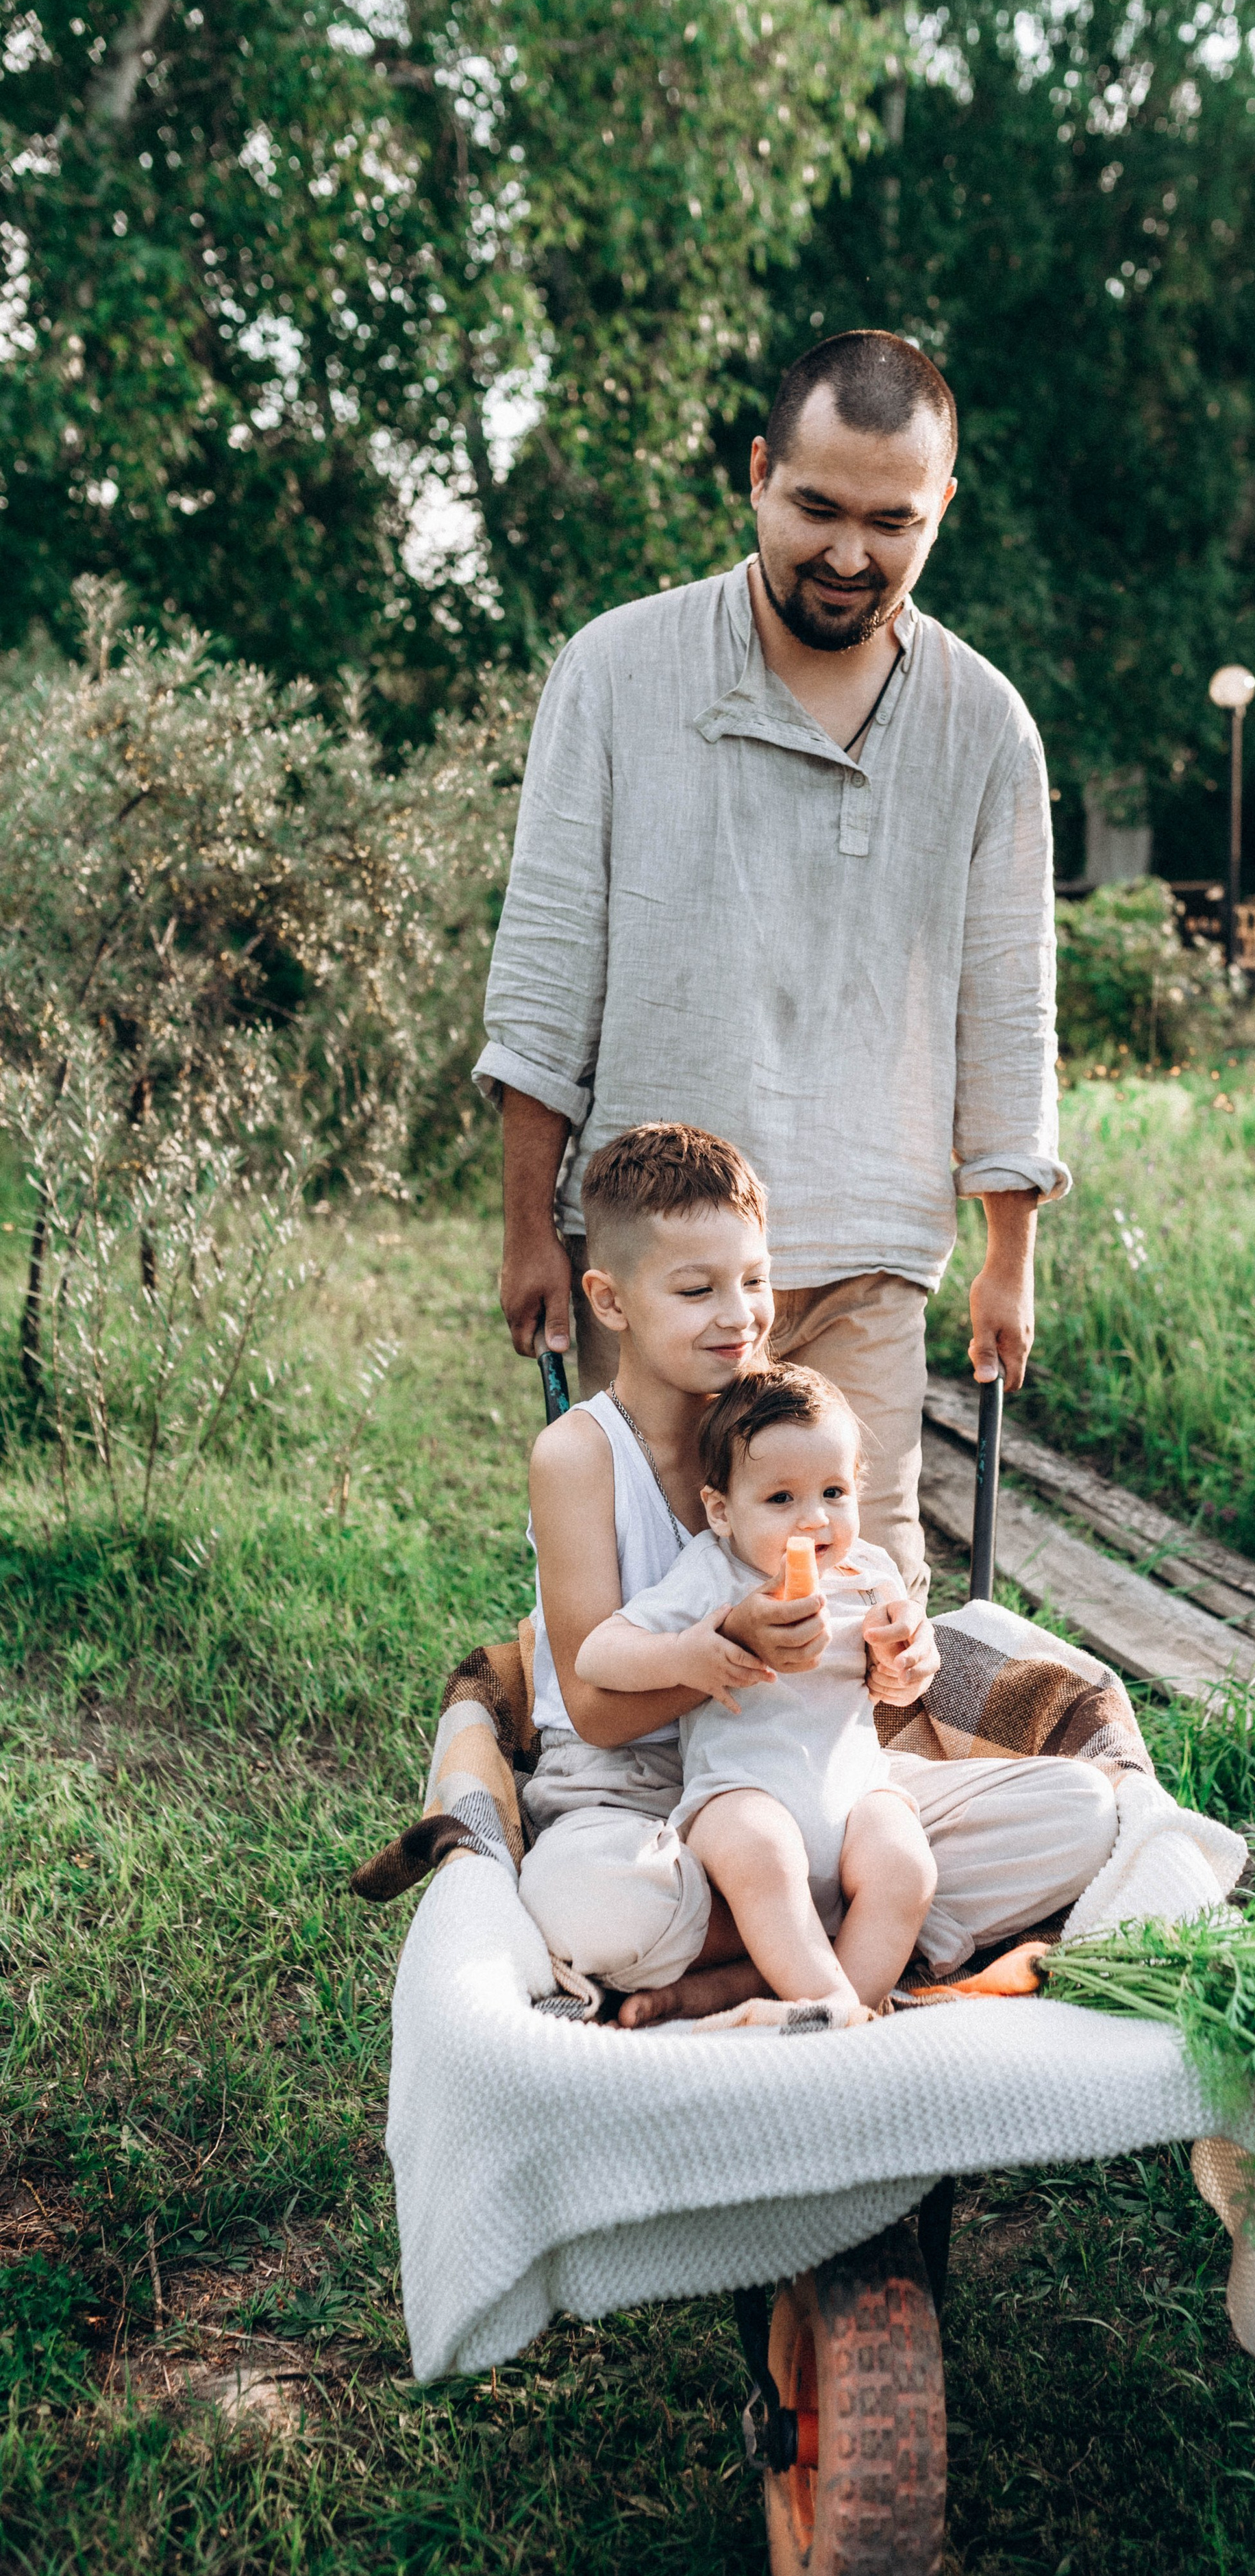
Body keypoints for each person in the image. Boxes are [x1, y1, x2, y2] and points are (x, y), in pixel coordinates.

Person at [475, 325, 1069, 1599]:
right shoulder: (618, 670)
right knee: (649, 1600)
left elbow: (1010, 1004)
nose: (850, 555)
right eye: (817, 509)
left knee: (861, 1602)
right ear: (757, 473)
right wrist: (530, 1227)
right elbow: (545, 975)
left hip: (868, 1247)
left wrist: (1008, 1255)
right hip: (655, 1257)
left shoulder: (986, 726)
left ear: (943, 506)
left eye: (892, 522)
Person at [518, 1122, 1117, 2026]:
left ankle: (766, 1963)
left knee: (1079, 1812)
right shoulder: (580, 1455)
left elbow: (864, 1632)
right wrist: (737, 1649)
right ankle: (837, 1949)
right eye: (697, 1289)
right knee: (595, 1904)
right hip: (632, 1786)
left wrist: (896, 1658)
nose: (739, 1315)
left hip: (810, 1774)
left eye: (755, 1280)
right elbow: (595, 1709)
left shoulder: (786, 1434)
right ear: (610, 1300)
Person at [578, 1365, 936, 2022]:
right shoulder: (712, 1574)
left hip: (855, 1795)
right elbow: (597, 1654)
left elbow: (902, 1676)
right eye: (781, 1499)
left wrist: (908, 1663)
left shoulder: (870, 1573)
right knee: (763, 1852)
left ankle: (843, 2016)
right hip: (742, 1796)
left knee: (907, 1867)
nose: (814, 1520)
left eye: (833, 1492)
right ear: (722, 1512)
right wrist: (689, 1653)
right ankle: (830, 2003)